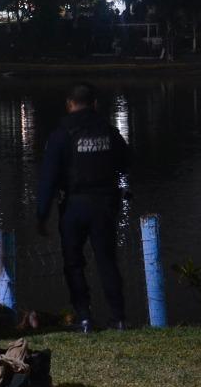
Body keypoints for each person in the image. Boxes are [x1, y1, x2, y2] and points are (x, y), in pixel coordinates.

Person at [36, 82, 131, 332]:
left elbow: (48, 178)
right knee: (107, 261)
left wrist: (42, 214)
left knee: (73, 263)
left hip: (73, 207)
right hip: (104, 205)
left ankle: (85, 317)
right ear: (95, 104)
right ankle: (119, 318)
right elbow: (127, 163)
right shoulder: (109, 131)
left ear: (69, 104)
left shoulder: (60, 134)